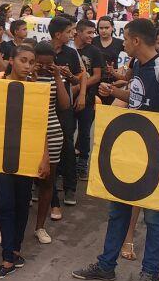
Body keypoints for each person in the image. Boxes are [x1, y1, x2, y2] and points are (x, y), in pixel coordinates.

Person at [73, 19, 159, 281]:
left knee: (154, 217)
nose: (122, 43)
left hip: (157, 153)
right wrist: (114, 92)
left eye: (125, 39)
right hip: (134, 149)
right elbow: (139, 100)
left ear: (136, 41)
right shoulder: (138, 66)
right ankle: (106, 265)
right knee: (118, 210)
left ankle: (150, 273)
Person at [0, 45, 52, 279]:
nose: (27, 65)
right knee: (6, 204)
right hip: (1, 153)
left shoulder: (36, 90)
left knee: (22, 202)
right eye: (23, 60)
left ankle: (15, 249)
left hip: (28, 154)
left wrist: (45, 156)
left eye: (31, 61)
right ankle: (7, 258)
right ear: (12, 61)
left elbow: (41, 126)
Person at [30, 42, 71, 243]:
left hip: (53, 132)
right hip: (28, 133)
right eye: (41, 63)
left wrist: (56, 76)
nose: (45, 67)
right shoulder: (26, 76)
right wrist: (32, 75)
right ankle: (8, 226)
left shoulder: (56, 77)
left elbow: (64, 105)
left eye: (49, 64)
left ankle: (40, 226)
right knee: (20, 182)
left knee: (48, 183)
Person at [46, 18, 83, 216]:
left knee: (67, 145)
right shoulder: (41, 49)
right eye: (69, 32)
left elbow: (78, 78)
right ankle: (43, 185)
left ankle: (70, 187)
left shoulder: (71, 53)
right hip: (44, 106)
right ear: (58, 34)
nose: (72, 35)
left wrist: (68, 76)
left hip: (64, 106)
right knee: (45, 145)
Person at [73, 20, 104, 180]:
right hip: (68, 98)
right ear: (78, 32)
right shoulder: (69, 49)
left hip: (88, 98)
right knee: (67, 130)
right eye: (89, 33)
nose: (92, 35)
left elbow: (97, 75)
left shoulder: (95, 51)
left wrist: (79, 88)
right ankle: (67, 162)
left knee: (85, 132)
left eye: (94, 33)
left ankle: (82, 163)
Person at [95, 16, 125, 106]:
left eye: (106, 28)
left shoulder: (119, 43)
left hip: (113, 83)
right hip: (95, 82)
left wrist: (125, 67)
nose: (104, 30)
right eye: (101, 28)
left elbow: (135, 53)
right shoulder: (93, 41)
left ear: (112, 28)